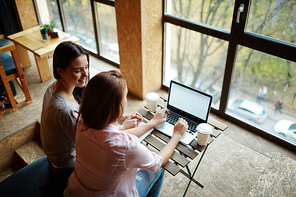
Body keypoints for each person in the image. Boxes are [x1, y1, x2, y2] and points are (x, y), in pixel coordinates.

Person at [64, 70, 187, 197]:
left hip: (76, 191)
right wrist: (177, 134)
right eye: (125, 96)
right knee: (159, 170)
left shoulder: (81, 121)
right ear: (117, 106)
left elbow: (107, 137)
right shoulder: (127, 146)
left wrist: (151, 123)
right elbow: (158, 162)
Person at [40, 42, 139, 194]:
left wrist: (121, 117)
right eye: (78, 71)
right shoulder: (65, 109)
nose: (86, 74)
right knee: (126, 169)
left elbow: (91, 121)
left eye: (86, 67)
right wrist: (122, 127)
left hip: (57, 157)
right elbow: (94, 141)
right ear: (60, 70)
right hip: (67, 167)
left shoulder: (55, 87)